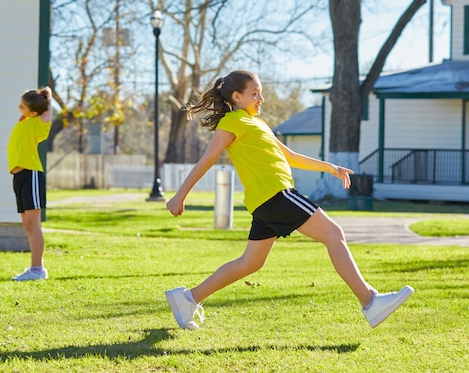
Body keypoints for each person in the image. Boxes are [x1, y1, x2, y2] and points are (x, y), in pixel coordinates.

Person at [165, 70, 413, 330]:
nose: (261, 98)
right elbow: (207, 160)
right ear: (237, 96)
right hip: (277, 196)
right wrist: (179, 196)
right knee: (333, 233)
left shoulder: (257, 124)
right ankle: (370, 301)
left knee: (251, 262)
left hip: (267, 201)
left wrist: (330, 167)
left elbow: (290, 156)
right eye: (255, 93)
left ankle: (187, 299)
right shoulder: (232, 123)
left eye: (261, 92)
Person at [7, 86, 52, 281]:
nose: (19, 107)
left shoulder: (38, 124)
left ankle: (37, 269)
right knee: (27, 224)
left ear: (34, 112)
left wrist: (47, 96)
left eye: (23, 106)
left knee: (34, 225)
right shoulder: (25, 121)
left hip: (31, 174)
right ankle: (36, 267)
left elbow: (48, 113)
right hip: (19, 176)